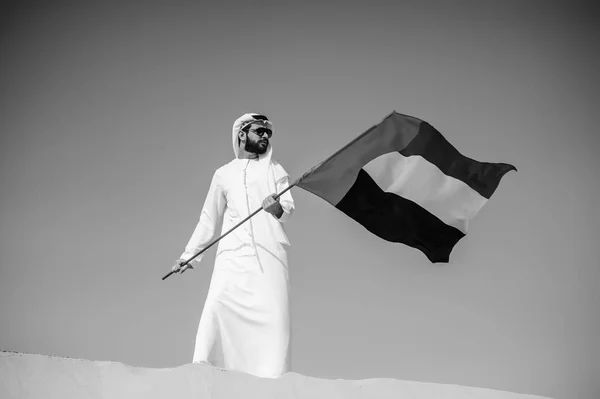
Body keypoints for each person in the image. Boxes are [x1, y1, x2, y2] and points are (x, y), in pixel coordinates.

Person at [172, 113, 295, 378]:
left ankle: (273, 387)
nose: (265, 136)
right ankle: (202, 377)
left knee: (275, 324)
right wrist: (189, 256)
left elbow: (288, 208)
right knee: (216, 309)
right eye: (260, 131)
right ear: (242, 134)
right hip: (231, 260)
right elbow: (208, 218)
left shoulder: (276, 170)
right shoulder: (223, 174)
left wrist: (276, 208)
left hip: (270, 257)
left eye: (268, 133)